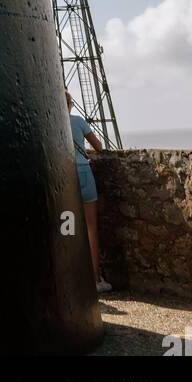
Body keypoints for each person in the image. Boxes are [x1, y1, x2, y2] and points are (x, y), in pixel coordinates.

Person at [66, 90, 112, 293]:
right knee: (91, 228)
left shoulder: (51, 120)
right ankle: (95, 280)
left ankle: (68, 278)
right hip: (84, 172)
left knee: (66, 228)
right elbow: (99, 146)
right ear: (70, 104)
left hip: (64, 177)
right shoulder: (78, 120)